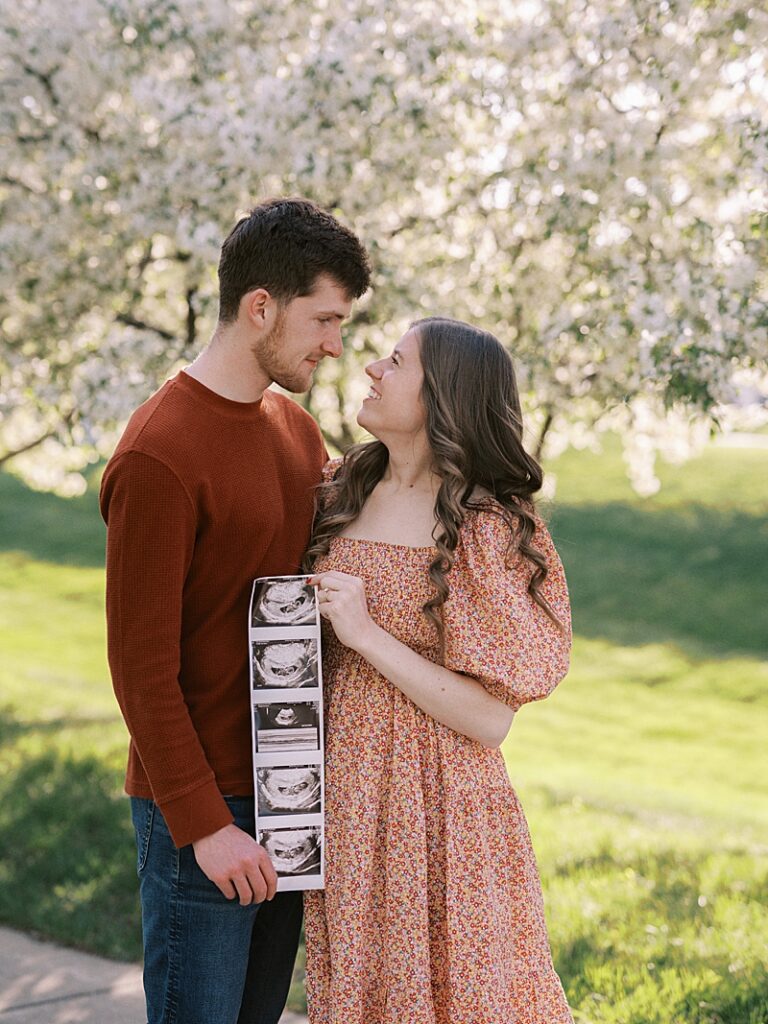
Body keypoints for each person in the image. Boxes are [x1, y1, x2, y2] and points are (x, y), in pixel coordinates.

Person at [99, 197, 370, 1024]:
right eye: (324, 318)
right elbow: (140, 669)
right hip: (206, 817)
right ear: (261, 307)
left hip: (290, 798)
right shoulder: (159, 453)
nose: (335, 343)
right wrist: (205, 826)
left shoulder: (293, 427)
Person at [304, 316, 574, 1024]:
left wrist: (366, 634)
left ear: (441, 398)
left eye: (395, 362)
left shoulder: (485, 524)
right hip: (350, 801)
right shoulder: (339, 489)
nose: (371, 369)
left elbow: (491, 718)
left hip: (444, 805)